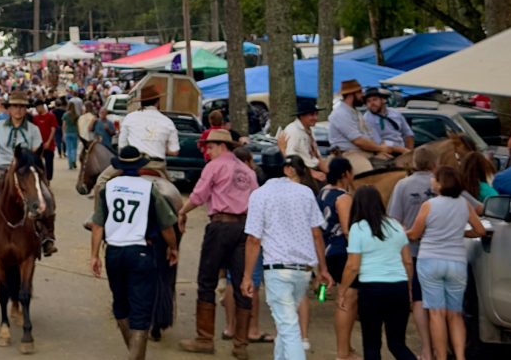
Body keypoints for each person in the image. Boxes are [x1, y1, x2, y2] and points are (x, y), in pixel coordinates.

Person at [90, 146, 180, 360]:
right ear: (140, 167)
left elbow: (97, 225)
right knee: (141, 309)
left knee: (120, 303)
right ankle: (136, 356)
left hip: (113, 252)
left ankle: (133, 352)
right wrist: (173, 247)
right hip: (139, 251)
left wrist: (94, 255)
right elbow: (167, 225)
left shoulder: (108, 188)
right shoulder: (149, 189)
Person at [242, 156, 334, 360]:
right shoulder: (305, 192)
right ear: (285, 169)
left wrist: (247, 275)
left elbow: (253, 239)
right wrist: (323, 269)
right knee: (285, 325)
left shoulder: (259, 195)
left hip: (277, 268)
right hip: (303, 269)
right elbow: (316, 233)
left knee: (288, 326)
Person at [176, 129, 258, 356]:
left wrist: (182, 211)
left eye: (209, 147)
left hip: (220, 225)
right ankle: (240, 345)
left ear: (221, 146)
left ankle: (204, 338)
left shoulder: (215, 166)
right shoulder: (247, 171)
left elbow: (198, 195)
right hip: (244, 226)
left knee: (207, 279)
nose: (207, 152)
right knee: (243, 282)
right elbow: (256, 200)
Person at [405, 165, 486, 360]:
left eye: (435, 179)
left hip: (430, 260)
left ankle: (441, 357)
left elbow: (415, 234)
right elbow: (480, 231)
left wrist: (401, 232)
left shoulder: (429, 205)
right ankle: (460, 356)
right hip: (456, 261)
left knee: (436, 313)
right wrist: (461, 233)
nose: (432, 181)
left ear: (441, 184)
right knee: (455, 313)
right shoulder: (463, 204)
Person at [0, 92, 55, 256]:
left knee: (46, 196)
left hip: (24, 171)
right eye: (15, 106)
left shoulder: (33, 130)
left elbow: (37, 153)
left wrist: (27, 165)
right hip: (2, 170)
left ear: (26, 109)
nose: (18, 110)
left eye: (22, 107)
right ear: (9, 109)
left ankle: (47, 237)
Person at [341, 185, 416, 360]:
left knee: (372, 344)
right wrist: (409, 287)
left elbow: (353, 266)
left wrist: (342, 291)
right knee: (397, 344)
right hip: (398, 288)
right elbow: (407, 261)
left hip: (371, 290)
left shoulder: (357, 228)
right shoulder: (396, 226)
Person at [386, 146, 438, 360]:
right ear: (434, 163)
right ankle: (442, 349)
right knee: (440, 303)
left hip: (413, 251)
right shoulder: (443, 182)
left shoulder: (402, 185)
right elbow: (476, 207)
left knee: (418, 300)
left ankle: (426, 349)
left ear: (414, 163)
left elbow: (393, 220)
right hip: (441, 251)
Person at [319, 157, 356, 360]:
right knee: (347, 299)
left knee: (344, 299)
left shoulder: (323, 193)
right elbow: (347, 229)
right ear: (345, 174)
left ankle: (346, 348)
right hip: (342, 251)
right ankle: (343, 352)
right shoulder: (343, 198)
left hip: (327, 250)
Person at [328, 80, 391, 175]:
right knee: (367, 174)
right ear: (351, 95)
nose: (362, 95)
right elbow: (358, 141)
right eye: (360, 92)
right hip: (348, 154)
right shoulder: (340, 114)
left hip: (364, 152)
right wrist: (380, 149)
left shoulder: (356, 112)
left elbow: (368, 135)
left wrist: (378, 150)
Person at [118, 87, 179, 174]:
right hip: (157, 166)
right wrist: (160, 146)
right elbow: (174, 151)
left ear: (141, 103)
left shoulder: (130, 117)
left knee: (102, 178)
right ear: (157, 102)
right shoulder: (168, 122)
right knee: (171, 187)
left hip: (133, 163)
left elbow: (122, 145)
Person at [363, 88, 412, 155]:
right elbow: (378, 143)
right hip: (384, 153)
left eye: (375, 99)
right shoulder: (367, 118)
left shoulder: (395, 113)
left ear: (383, 100)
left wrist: (409, 153)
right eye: (368, 101)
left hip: (402, 151)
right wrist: (402, 150)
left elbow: (408, 134)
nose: (372, 103)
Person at [278, 104, 323, 174]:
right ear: (302, 116)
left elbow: (316, 155)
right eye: (312, 115)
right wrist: (312, 173)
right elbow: (290, 158)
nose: (316, 118)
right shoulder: (293, 131)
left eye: (316, 114)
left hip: (314, 167)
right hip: (302, 172)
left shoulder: (309, 130)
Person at [33, 99, 59, 180]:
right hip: (38, 145)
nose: (37, 110)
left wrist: (48, 141)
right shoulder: (35, 118)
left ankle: (48, 179)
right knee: (37, 163)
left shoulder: (51, 116)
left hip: (49, 144)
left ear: (41, 107)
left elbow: (53, 129)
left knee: (49, 163)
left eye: (37, 108)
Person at [63, 99, 82, 170]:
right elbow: (77, 125)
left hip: (68, 132)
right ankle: (74, 160)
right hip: (74, 132)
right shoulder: (76, 115)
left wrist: (63, 133)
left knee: (69, 148)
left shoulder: (65, 115)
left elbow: (64, 125)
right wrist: (79, 133)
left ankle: (70, 163)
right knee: (74, 148)